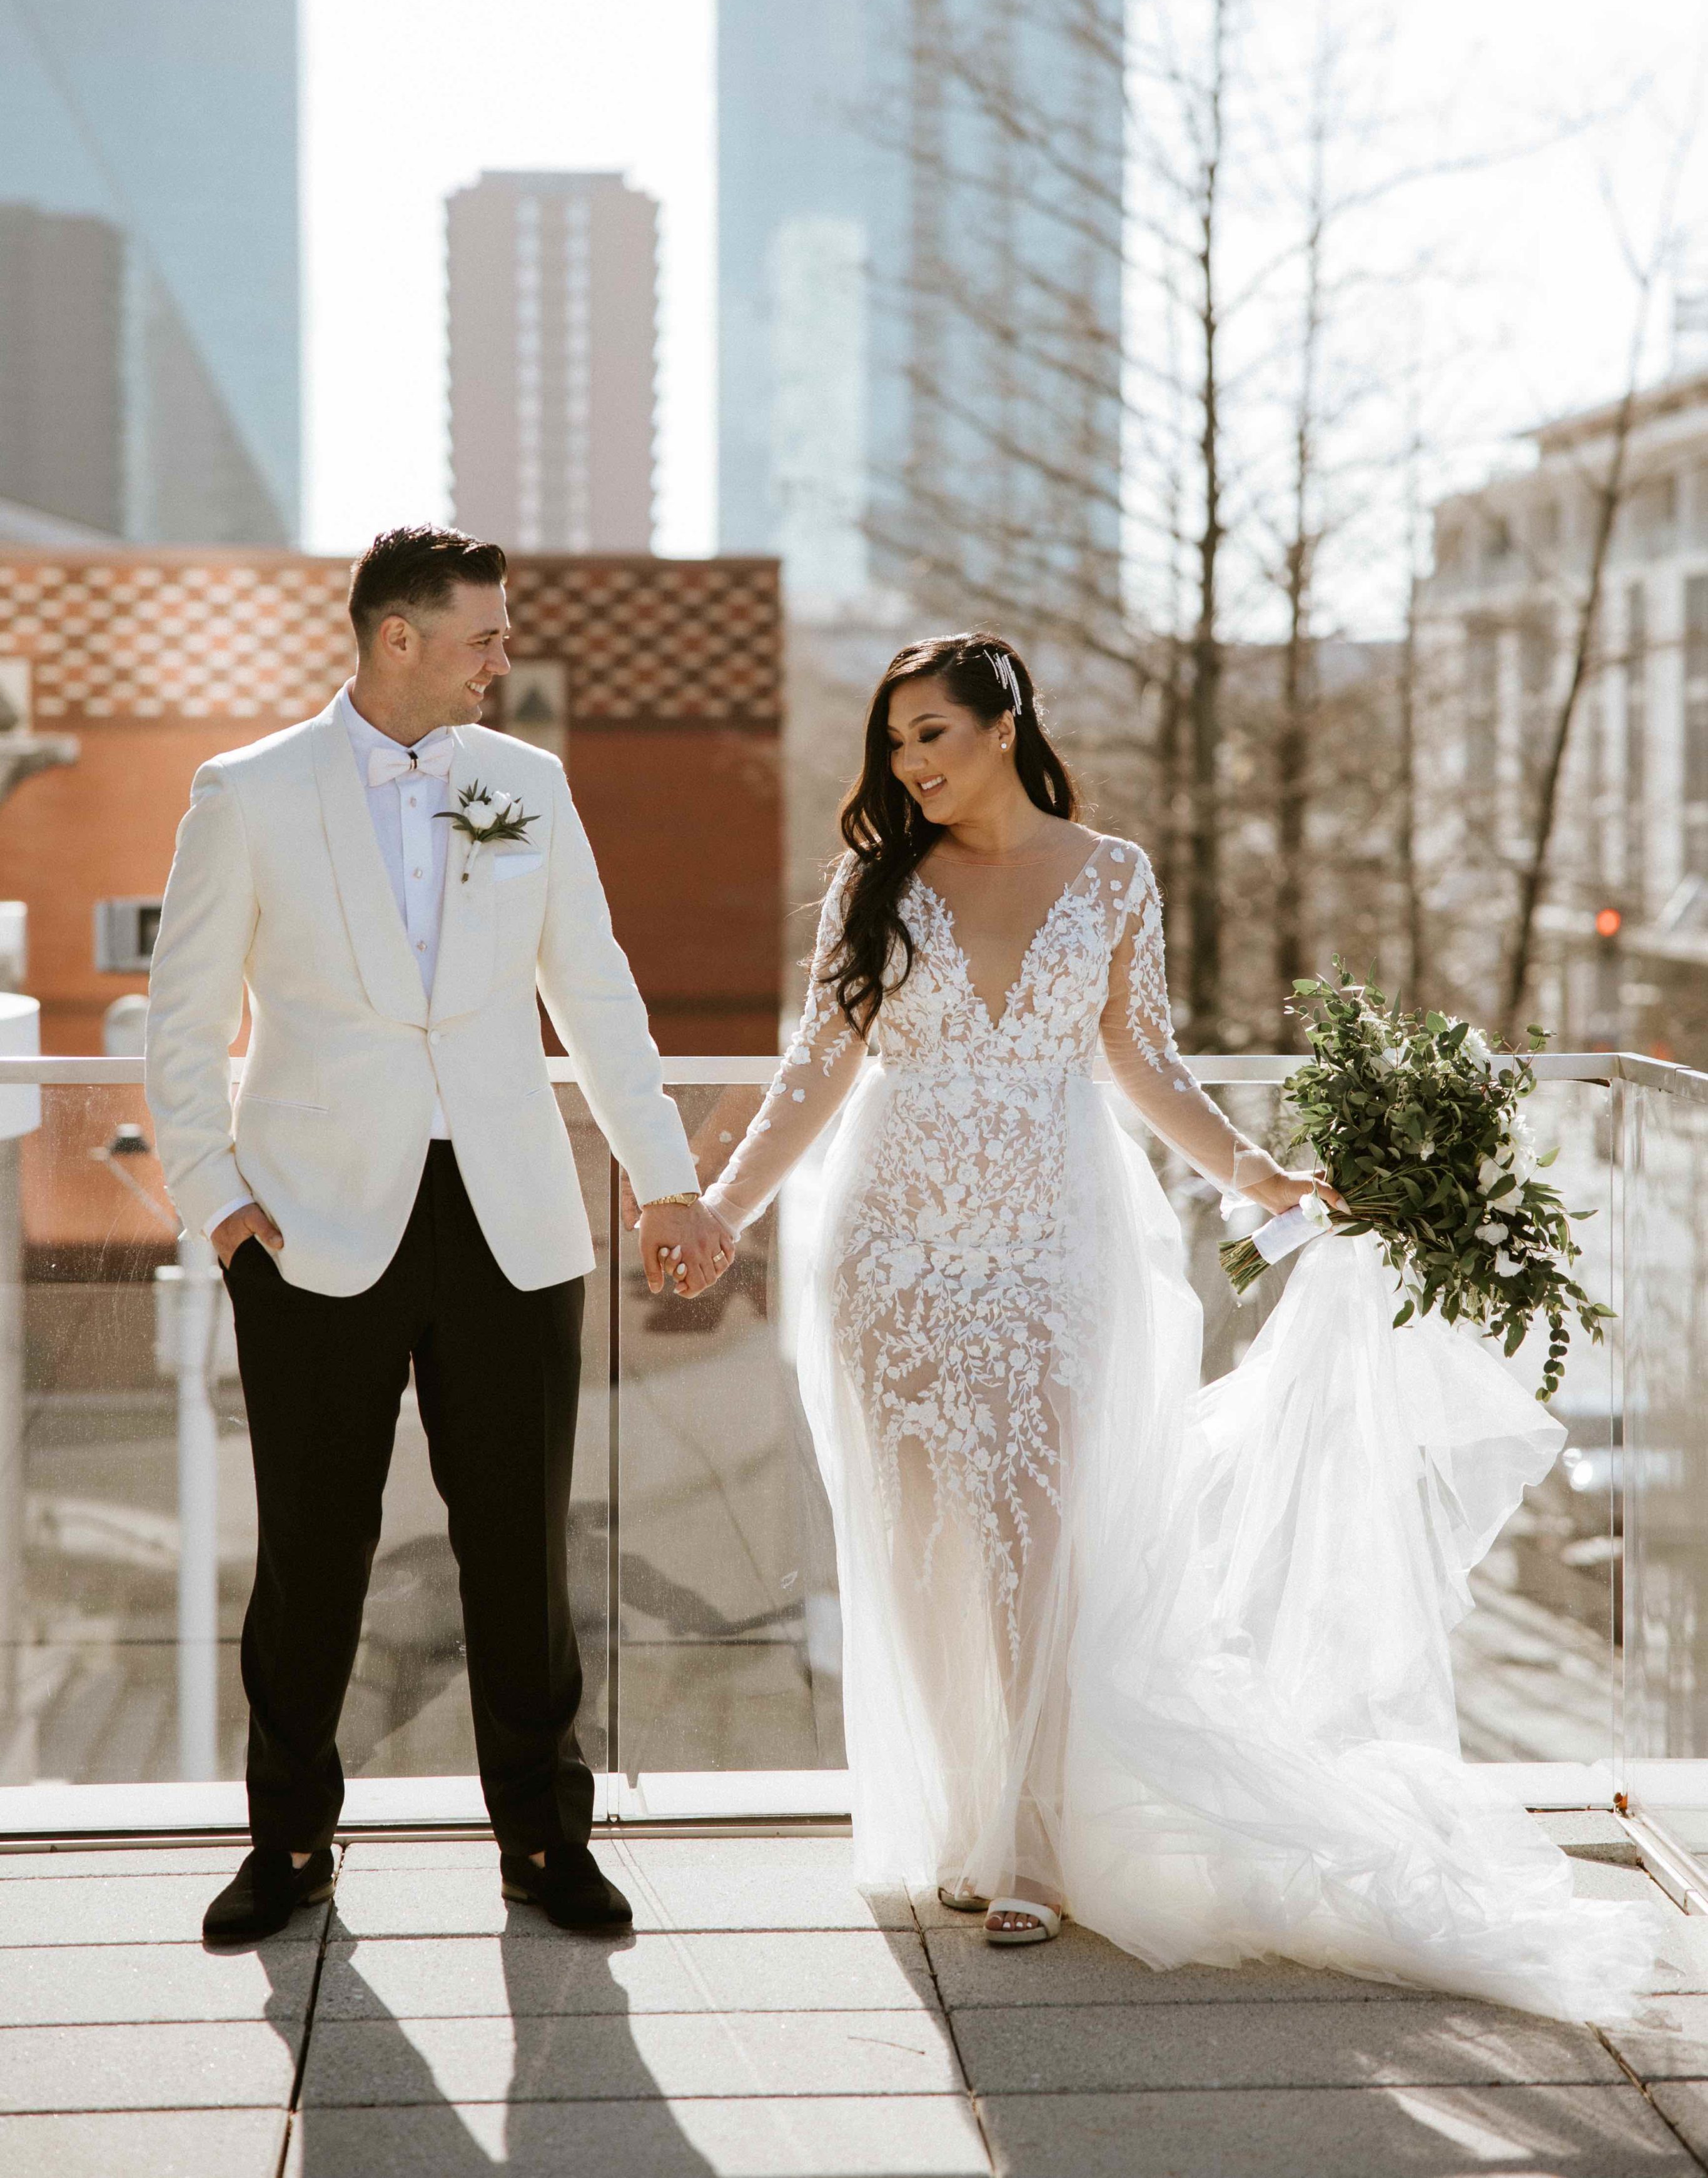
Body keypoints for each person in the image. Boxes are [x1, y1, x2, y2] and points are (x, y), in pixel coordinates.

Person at [689, 630, 1659, 2017]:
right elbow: (813, 1069)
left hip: (1047, 1246)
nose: (909, 763)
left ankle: (1030, 1841)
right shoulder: (874, 879)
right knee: (921, 1546)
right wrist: (724, 1210)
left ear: (1004, 724)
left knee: (1036, 1537)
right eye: (894, 742)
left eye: (932, 734)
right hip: (889, 1248)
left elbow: (1140, 1057)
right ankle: (963, 1819)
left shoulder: (1111, 875)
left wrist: (1252, 1172)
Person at [145, 525, 732, 1945]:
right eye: (482, 633)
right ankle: (288, 1843)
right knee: (313, 1550)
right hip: (308, 1227)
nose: (503, 655)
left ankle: (542, 1837)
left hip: (510, 1222)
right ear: (395, 635)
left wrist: (665, 1179)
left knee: (522, 1550)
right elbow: (183, 1021)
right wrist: (218, 1205)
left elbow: (592, 988)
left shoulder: (520, 783)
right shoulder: (247, 790)